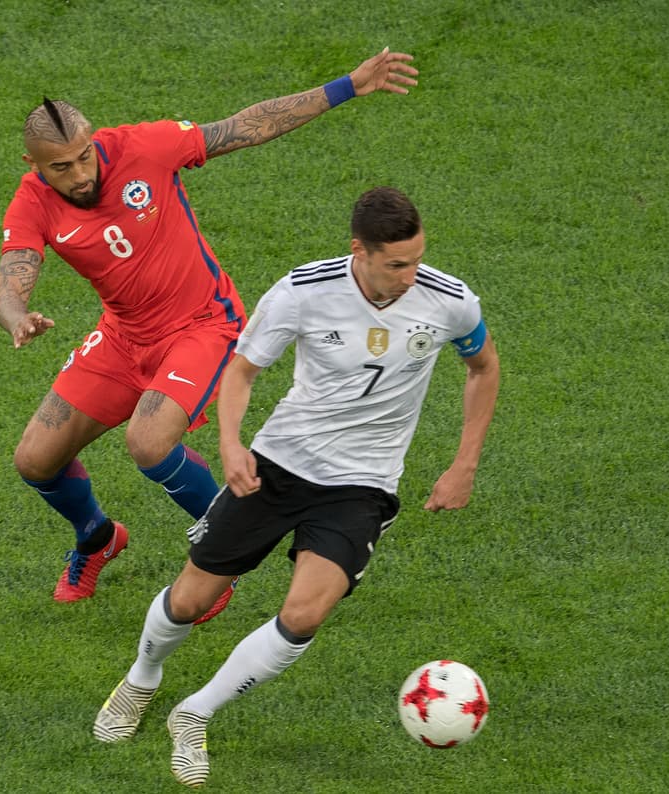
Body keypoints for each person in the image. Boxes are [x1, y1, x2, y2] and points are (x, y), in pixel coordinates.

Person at [92, 187, 501, 787]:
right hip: (279, 465)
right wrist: (231, 445)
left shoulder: (449, 301)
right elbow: (241, 371)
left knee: (305, 612)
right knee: (190, 601)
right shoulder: (303, 291)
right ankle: (142, 677)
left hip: (363, 483)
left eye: (416, 259)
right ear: (359, 250)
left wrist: (464, 464)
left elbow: (483, 367)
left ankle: (194, 712)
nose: (412, 276)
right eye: (397, 264)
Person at [0, 49, 420, 608]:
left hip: (203, 325)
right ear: (31, 163)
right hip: (124, 337)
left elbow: (244, 126)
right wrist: (16, 317)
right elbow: (11, 280)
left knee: (148, 442)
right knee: (34, 459)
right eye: (60, 168)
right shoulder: (32, 203)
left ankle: (217, 556)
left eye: (83, 157)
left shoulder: (144, 146)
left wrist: (346, 86)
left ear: (93, 139)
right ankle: (97, 539)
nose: (80, 175)